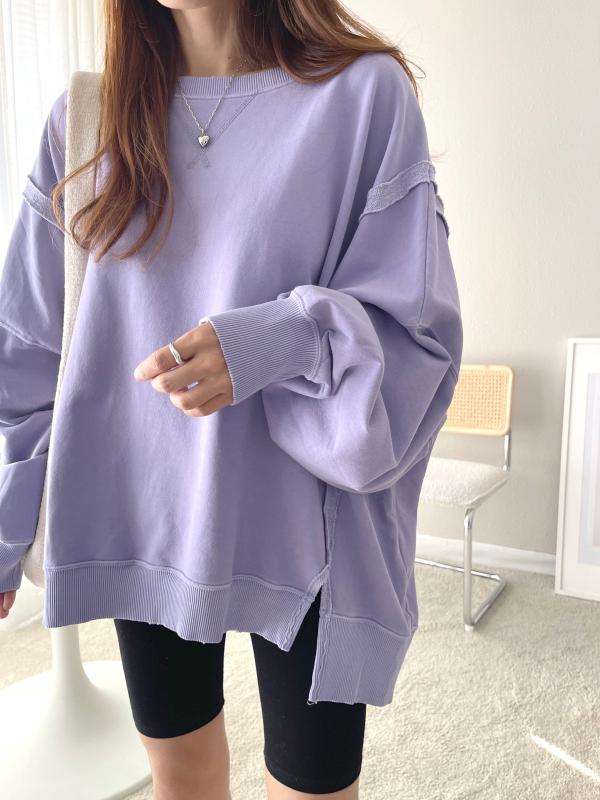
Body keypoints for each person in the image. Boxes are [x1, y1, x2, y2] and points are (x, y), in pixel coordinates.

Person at [0, 0, 463, 798]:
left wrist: (278, 340)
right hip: (146, 515)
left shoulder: (363, 95)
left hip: (309, 530)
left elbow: (418, 342)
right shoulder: (85, 120)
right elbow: (25, 348)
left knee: (313, 789)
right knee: (182, 779)